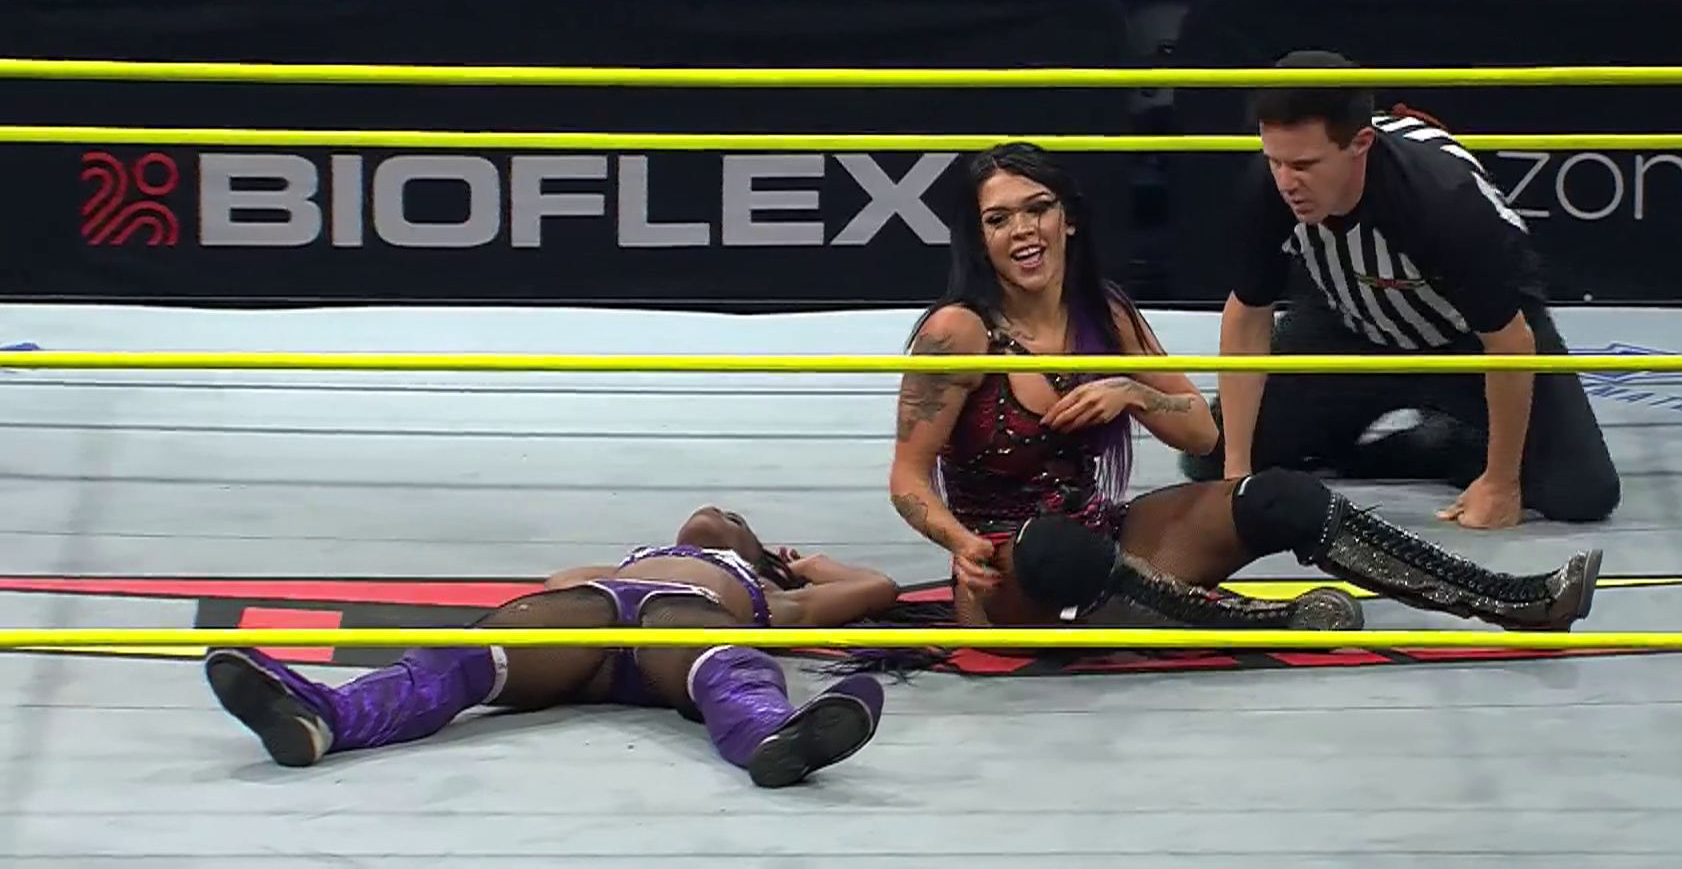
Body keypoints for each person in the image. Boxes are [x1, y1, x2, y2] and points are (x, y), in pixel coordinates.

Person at [885, 142, 1602, 635]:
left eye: (1036, 208)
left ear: (1067, 219)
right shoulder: (958, 332)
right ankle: (1272, 623)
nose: (1023, 231)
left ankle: (1513, 599)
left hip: (1107, 537)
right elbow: (907, 478)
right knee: (1055, 546)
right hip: (1008, 571)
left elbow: (1201, 433)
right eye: (999, 219)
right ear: (979, 240)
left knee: (1280, 495)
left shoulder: (1105, 315)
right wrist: (960, 542)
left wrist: (1134, 392)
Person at [1186, 49, 1622, 531]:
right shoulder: (1269, 185)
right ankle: (1343, 431)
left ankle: (1450, 442)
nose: (1287, 182)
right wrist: (1237, 478)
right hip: (1349, 323)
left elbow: (1509, 342)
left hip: (1466, 340)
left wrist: (1501, 482)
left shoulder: (1441, 199)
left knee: (1582, 489)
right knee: (1210, 454)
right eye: (1276, 160)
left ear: (1360, 143)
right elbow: (1248, 314)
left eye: (1305, 165)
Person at [203, 505, 893, 789]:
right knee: (465, 654)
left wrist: (809, 566)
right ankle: (326, 717)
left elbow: (877, 587)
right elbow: (559, 583)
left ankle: (771, 739)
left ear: (755, 553)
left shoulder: (767, 595)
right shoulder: (627, 563)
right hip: (591, 622)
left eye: (734, 519)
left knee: (731, 665)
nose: (714, 514)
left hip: (680, 635)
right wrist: (622, 574)